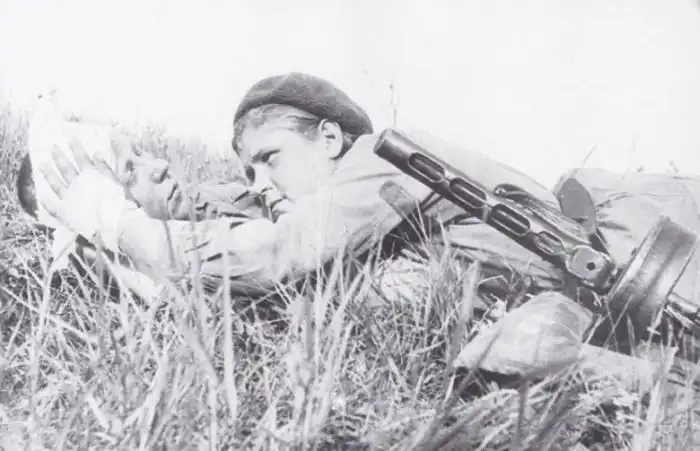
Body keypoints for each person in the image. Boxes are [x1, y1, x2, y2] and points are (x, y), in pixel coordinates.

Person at [36, 72, 700, 392]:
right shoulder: (335, 190)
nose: (261, 184)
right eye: (251, 170)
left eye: (270, 159)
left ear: (329, 138)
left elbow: (277, 255)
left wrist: (114, 221)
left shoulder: (376, 164)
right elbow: (226, 211)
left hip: (631, 297)